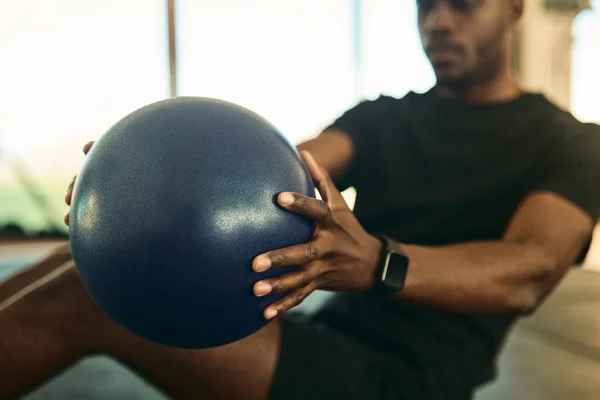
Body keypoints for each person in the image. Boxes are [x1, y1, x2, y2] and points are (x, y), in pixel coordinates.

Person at [1, 0, 599, 399]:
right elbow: (277, 172)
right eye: (425, 4)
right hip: (327, 335)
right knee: (85, 264)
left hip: (407, 380)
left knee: (87, 300)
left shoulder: (571, 143)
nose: (439, 22)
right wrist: (141, 180)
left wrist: (378, 263)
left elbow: (529, 268)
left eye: (463, 3)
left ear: (515, 9)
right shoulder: (383, 118)